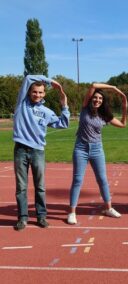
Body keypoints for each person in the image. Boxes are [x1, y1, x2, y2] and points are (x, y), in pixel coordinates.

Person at [13, 75, 70, 231]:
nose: (37, 95)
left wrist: (64, 107)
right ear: (29, 92)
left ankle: (41, 216)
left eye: (40, 92)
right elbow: (29, 77)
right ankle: (23, 218)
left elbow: (63, 124)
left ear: (44, 94)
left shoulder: (47, 112)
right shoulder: (21, 104)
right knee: (21, 187)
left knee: (40, 187)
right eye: (34, 92)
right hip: (20, 150)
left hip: (38, 151)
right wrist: (51, 82)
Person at [67, 83, 128, 225]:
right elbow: (94, 85)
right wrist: (113, 88)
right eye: (95, 98)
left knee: (102, 180)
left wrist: (125, 108)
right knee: (77, 180)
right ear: (90, 99)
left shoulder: (104, 115)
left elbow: (123, 124)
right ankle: (72, 212)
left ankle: (108, 208)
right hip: (81, 148)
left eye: (100, 99)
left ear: (103, 101)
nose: (97, 100)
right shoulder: (85, 109)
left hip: (97, 149)